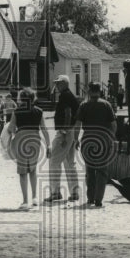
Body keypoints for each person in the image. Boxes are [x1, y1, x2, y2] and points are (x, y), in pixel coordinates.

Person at [74, 81, 117, 208]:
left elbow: (77, 125)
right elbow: (114, 124)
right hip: (103, 139)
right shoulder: (106, 105)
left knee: (90, 170)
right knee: (102, 170)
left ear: (89, 91)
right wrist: (112, 138)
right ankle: (98, 199)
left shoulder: (83, 105)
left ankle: (90, 198)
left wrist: (76, 139)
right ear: (99, 91)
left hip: (87, 139)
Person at [7, 87, 50, 209]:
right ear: (33, 98)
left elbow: (10, 129)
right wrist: (48, 144)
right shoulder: (39, 111)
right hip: (35, 139)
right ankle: (35, 197)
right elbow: (44, 129)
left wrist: (9, 144)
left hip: (21, 139)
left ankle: (25, 200)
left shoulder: (17, 111)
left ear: (21, 99)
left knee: (22, 171)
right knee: (32, 169)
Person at [44, 74, 80, 203]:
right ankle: (75, 192)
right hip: (70, 132)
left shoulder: (65, 95)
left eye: (59, 83)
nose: (57, 85)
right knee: (69, 163)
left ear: (65, 83)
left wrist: (64, 133)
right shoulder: (70, 95)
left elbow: (68, 113)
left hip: (64, 132)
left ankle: (55, 192)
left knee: (53, 161)